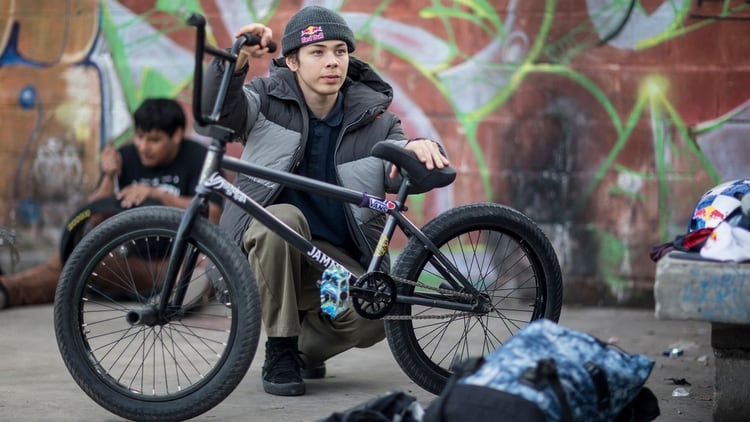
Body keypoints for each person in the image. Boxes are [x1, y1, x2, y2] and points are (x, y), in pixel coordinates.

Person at [202, 6, 450, 396]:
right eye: (317, 52)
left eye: (340, 51)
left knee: (374, 316)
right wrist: (236, 64)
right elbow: (218, 114)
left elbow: (404, 170)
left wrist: (422, 147)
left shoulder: (376, 121)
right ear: (292, 62)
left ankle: (303, 346)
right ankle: (280, 348)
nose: (332, 61)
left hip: (330, 271)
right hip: (265, 257)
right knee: (282, 219)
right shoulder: (265, 100)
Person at [0, 98, 222, 309]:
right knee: (75, 259)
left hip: (177, 264)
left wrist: (157, 195)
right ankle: (7, 290)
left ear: (177, 135)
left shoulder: (199, 158)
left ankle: (173, 300)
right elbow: (92, 216)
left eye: (154, 140)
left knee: (203, 269)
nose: (143, 147)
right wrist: (109, 175)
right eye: (140, 137)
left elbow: (213, 215)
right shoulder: (125, 156)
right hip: (129, 263)